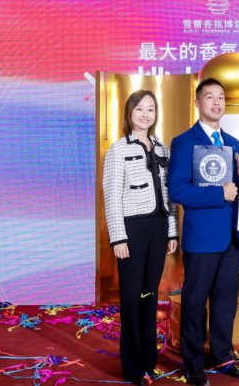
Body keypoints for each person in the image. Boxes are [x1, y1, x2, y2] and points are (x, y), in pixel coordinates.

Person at [168, 78, 239, 386]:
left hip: (231, 236)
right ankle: (193, 364)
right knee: (194, 302)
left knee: (225, 300)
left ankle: (224, 356)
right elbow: (177, 190)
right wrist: (219, 193)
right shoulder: (184, 142)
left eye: (221, 97)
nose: (216, 102)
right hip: (202, 237)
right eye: (209, 97)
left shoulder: (233, 143)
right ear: (197, 103)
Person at [103, 89, 178, 385]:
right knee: (132, 299)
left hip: (158, 227)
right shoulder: (118, 149)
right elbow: (112, 196)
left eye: (151, 109)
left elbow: (169, 194)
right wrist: (118, 238)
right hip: (132, 230)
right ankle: (133, 366)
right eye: (139, 109)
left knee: (150, 296)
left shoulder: (162, 148)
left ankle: (148, 361)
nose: (146, 115)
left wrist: (172, 231)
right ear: (129, 113)